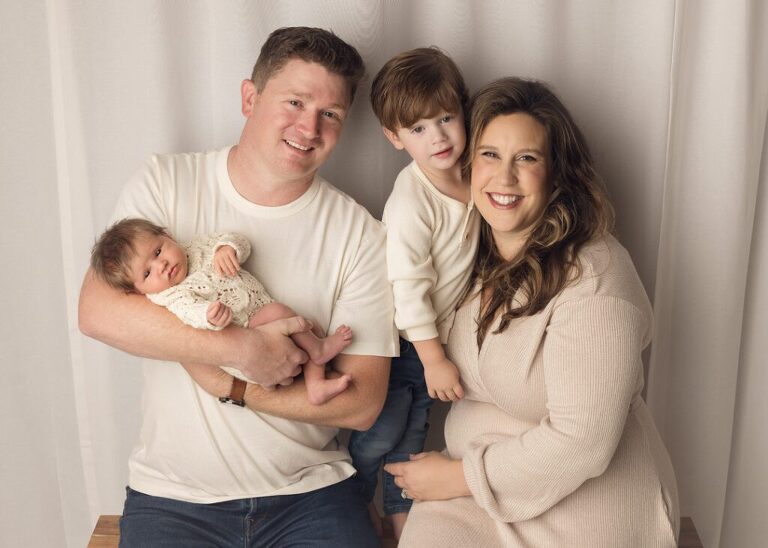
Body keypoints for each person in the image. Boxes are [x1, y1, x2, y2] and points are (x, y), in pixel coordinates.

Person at [78, 27, 398, 547]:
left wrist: (233, 387)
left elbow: (361, 404)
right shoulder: (165, 183)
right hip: (172, 498)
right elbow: (97, 311)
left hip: (311, 495)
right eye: (294, 101)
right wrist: (238, 348)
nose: (309, 126)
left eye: (330, 114)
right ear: (250, 97)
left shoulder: (360, 233)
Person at [385, 77, 680, 547]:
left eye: (526, 158)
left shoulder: (595, 275)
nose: (504, 178)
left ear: (558, 173)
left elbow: (582, 442)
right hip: (473, 500)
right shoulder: (468, 257)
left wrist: (456, 478)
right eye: (490, 154)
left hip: (585, 507)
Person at [347, 47, 480, 539]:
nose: (438, 137)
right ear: (394, 138)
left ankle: (401, 515)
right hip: (403, 339)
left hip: (433, 342)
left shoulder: (476, 179)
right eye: (418, 129)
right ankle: (355, 494)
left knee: (416, 431)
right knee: (383, 429)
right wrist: (433, 359)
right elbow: (408, 289)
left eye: (446, 118)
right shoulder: (411, 199)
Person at [90, 218, 353, 405]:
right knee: (283, 314)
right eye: (147, 273)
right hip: (249, 330)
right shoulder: (170, 295)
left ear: (167, 235)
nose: (161, 265)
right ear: (140, 291)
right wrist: (209, 315)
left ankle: (316, 386)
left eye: (158, 251)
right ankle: (319, 352)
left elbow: (236, 240)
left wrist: (228, 249)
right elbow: (188, 313)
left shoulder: (198, 248)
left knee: (311, 327)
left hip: (258, 313)